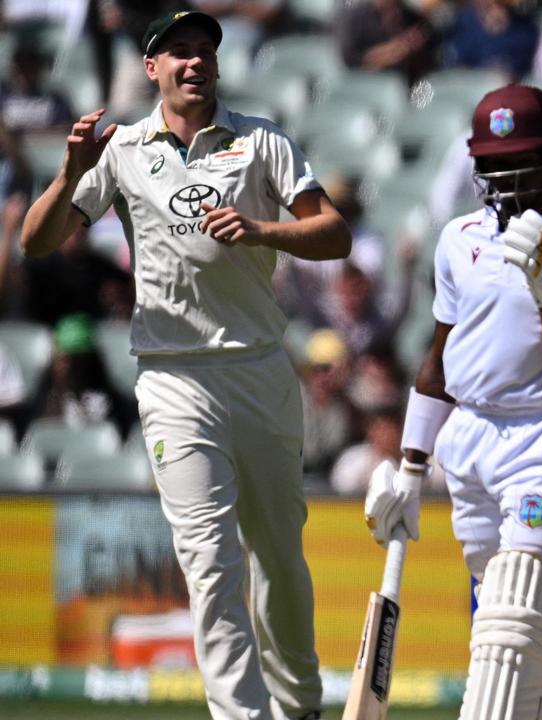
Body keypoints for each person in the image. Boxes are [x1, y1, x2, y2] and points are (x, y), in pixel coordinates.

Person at [19, 11, 351, 720]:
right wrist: (70, 173)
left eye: (205, 52)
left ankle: (300, 706)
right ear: (152, 69)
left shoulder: (261, 140)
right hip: (172, 379)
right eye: (179, 53)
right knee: (210, 565)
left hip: (259, 369)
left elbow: (334, 233)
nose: (195, 62)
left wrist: (263, 229)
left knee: (278, 562)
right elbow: (37, 241)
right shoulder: (123, 149)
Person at [362, 84, 542, 718]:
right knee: (502, 614)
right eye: (492, 164)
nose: (505, 178)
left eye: (521, 162)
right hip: (468, 437)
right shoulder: (457, 239)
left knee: (516, 610)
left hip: (541, 438)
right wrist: (409, 466)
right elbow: (437, 363)